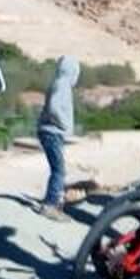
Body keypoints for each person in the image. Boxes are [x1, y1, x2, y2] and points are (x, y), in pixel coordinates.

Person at [36, 55, 80, 207]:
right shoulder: (62, 85)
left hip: (51, 132)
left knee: (57, 169)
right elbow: (54, 108)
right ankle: (51, 204)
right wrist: (64, 125)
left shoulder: (59, 83)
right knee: (59, 171)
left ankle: (51, 198)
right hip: (52, 132)